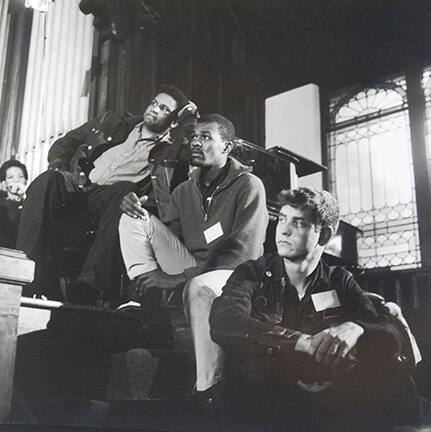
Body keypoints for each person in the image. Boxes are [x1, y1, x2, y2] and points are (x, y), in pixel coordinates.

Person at [209, 187, 430, 431]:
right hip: (264, 397)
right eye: (282, 219)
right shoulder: (252, 272)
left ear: (323, 235)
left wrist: (357, 328)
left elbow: (389, 333)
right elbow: (225, 321)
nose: (284, 229)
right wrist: (301, 342)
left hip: (329, 400)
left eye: (299, 223)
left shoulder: (339, 279)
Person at [119, 113, 269, 399]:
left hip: (235, 273)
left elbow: (243, 251)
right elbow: (171, 234)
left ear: (227, 146)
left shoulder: (249, 185)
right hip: (194, 267)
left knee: (198, 288)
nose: (195, 143)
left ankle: (207, 389)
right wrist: (137, 206)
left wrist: (178, 278)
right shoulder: (183, 191)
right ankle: (145, 288)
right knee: (132, 218)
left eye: (205, 137)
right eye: (194, 137)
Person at [16, 85, 195, 305]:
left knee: (126, 190)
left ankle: (88, 286)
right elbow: (67, 141)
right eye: (154, 103)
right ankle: (24, 273)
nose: (155, 109)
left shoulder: (172, 151)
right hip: (80, 185)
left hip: (109, 198)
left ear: (174, 121)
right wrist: (58, 164)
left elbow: (194, 150)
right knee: (48, 179)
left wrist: (190, 121)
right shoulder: (114, 122)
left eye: (164, 109)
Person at [0, 160, 28, 248]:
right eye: (10, 177)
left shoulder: (30, 204)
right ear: (4, 184)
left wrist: (25, 196)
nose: (16, 180)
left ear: (26, 181)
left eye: (21, 176)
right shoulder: (2, 206)